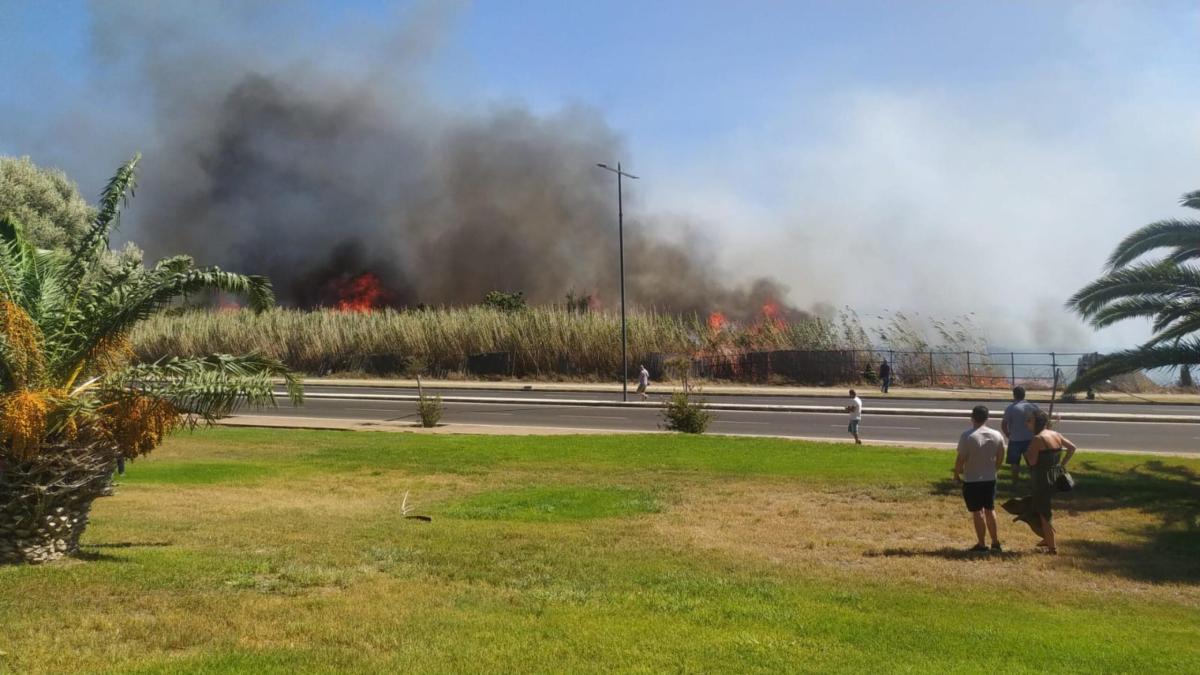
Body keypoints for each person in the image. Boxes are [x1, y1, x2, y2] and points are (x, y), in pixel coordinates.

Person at [1020, 409, 1076, 554]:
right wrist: (1061, 464)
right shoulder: (1055, 434)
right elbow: (1072, 448)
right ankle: (1047, 537)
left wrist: (1026, 453)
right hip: (1053, 476)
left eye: (1029, 420)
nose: (1027, 423)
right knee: (1040, 509)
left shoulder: (1038, 439)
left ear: (1037, 422)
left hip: (1041, 479)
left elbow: (1032, 462)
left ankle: (1052, 548)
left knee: (1044, 513)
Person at [954, 405, 1005, 552]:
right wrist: (995, 468)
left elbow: (961, 459)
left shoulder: (968, 436)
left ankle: (982, 544)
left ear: (972, 417)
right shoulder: (996, 435)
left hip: (972, 479)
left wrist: (956, 474)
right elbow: (1001, 455)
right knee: (990, 509)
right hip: (990, 478)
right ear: (987, 417)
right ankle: (995, 542)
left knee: (977, 511)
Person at [1000, 386, 1039, 484]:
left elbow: (1004, 424)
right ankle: (1034, 482)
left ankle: (1015, 482)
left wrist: (1008, 434)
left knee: (1014, 463)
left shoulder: (1011, 408)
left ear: (1014, 395)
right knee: (1032, 463)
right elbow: (1040, 422)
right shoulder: (1033, 407)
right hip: (1030, 439)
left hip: (1015, 440)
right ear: (1024, 394)